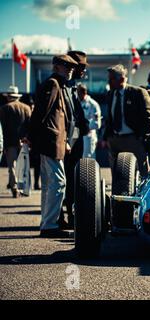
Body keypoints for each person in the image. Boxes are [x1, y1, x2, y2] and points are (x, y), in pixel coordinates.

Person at [27, 54, 78, 238]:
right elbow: (41, 112)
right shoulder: (53, 84)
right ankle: (49, 225)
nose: (71, 69)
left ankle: (47, 223)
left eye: (72, 67)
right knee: (58, 182)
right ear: (56, 67)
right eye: (67, 66)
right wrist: (30, 135)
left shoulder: (57, 84)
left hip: (52, 142)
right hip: (50, 142)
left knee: (50, 184)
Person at [104, 64, 150, 177]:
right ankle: (117, 193)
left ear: (122, 79)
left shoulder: (138, 93)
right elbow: (110, 117)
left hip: (134, 140)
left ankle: (141, 194)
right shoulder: (110, 94)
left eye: (112, 79)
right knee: (117, 174)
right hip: (115, 140)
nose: (109, 82)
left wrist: (141, 137)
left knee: (142, 172)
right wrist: (107, 137)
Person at [59, 50, 90, 229]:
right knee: (64, 183)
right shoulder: (63, 86)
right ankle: (60, 217)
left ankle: (69, 216)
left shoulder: (72, 86)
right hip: (67, 143)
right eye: (82, 67)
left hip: (74, 142)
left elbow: (76, 117)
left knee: (71, 182)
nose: (84, 71)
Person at [0, 86, 31, 198]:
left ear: (8, 97)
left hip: (9, 141)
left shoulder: (4, 109)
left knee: (12, 166)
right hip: (24, 141)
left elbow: (2, 128)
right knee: (23, 166)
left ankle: (15, 188)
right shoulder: (26, 108)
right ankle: (24, 188)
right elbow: (30, 125)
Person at [20, 94, 41, 190]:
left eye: (32, 105)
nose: (31, 107)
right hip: (28, 142)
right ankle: (26, 185)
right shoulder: (26, 114)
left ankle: (36, 183)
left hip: (35, 144)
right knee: (25, 165)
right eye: (30, 105)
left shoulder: (36, 114)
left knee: (37, 165)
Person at [77, 84, 101, 158]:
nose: (77, 95)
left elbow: (97, 124)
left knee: (88, 159)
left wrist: (83, 127)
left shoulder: (93, 104)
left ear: (84, 92)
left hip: (88, 137)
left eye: (78, 93)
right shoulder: (76, 103)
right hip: (76, 135)